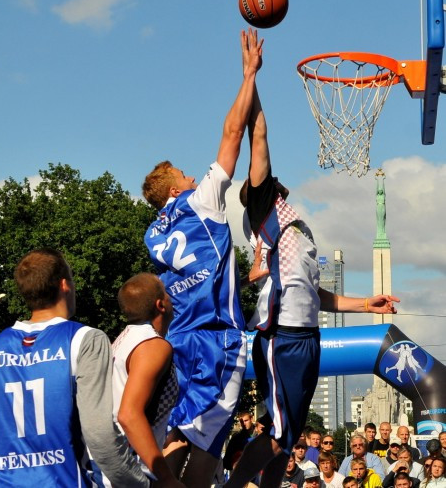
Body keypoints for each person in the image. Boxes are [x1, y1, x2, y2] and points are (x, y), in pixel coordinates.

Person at [223, 32, 399, 488]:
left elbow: (315, 293)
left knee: (290, 432)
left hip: (306, 334)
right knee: (277, 432)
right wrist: (251, 76)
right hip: (280, 336)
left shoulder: (298, 226)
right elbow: (257, 134)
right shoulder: (262, 209)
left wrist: (367, 305)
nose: (273, 176)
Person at [142, 28, 265, 487]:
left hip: (178, 341)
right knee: (209, 441)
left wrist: (241, 278)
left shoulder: (152, 233)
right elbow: (233, 132)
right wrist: (249, 74)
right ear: (175, 190)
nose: (195, 176)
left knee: (177, 432)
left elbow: (196, 271)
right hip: (217, 342)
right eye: (185, 175)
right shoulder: (201, 200)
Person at [0, 248, 148, 486]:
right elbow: (99, 434)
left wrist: (13, 458)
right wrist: (138, 482)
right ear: (64, 285)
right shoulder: (84, 339)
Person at [112, 273, 183, 487]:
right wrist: (167, 478)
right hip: (134, 472)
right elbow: (129, 414)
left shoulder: (122, 340)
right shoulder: (153, 345)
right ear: (160, 305)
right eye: (167, 292)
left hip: (116, 466)